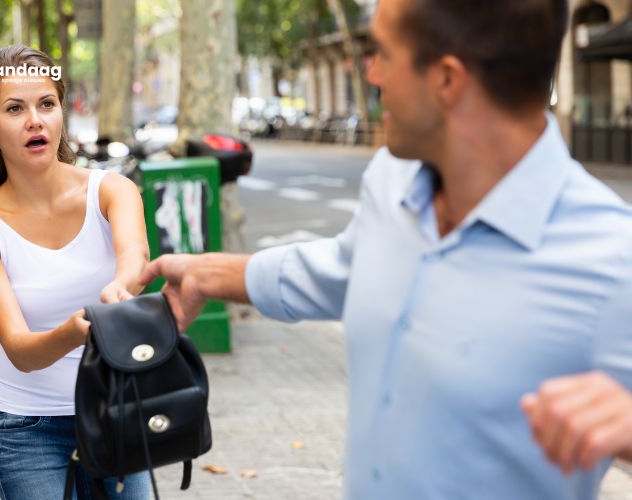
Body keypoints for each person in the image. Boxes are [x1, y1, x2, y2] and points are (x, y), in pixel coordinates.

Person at [139, 1, 632, 499]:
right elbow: (341, 269)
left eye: (383, 53)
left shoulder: (610, 261)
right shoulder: (389, 182)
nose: (370, 72)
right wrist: (208, 274)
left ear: (446, 80)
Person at [0, 45, 151, 500]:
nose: (35, 120)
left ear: (62, 112)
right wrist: (79, 329)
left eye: (46, 104)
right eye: (14, 108)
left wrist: (121, 287)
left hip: (114, 410)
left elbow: (134, 257)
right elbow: (21, 350)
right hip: (29, 430)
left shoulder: (112, 191)